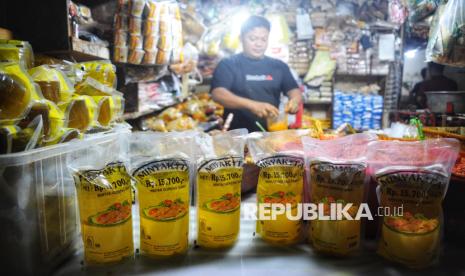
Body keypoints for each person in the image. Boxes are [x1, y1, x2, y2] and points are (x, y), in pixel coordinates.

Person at [210, 15, 302, 132]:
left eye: (263, 39)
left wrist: (294, 101)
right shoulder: (228, 64)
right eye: (253, 39)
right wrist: (252, 105)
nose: (259, 44)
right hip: (237, 136)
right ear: (241, 38)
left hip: (271, 134)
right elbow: (218, 94)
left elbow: (294, 91)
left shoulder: (279, 66)